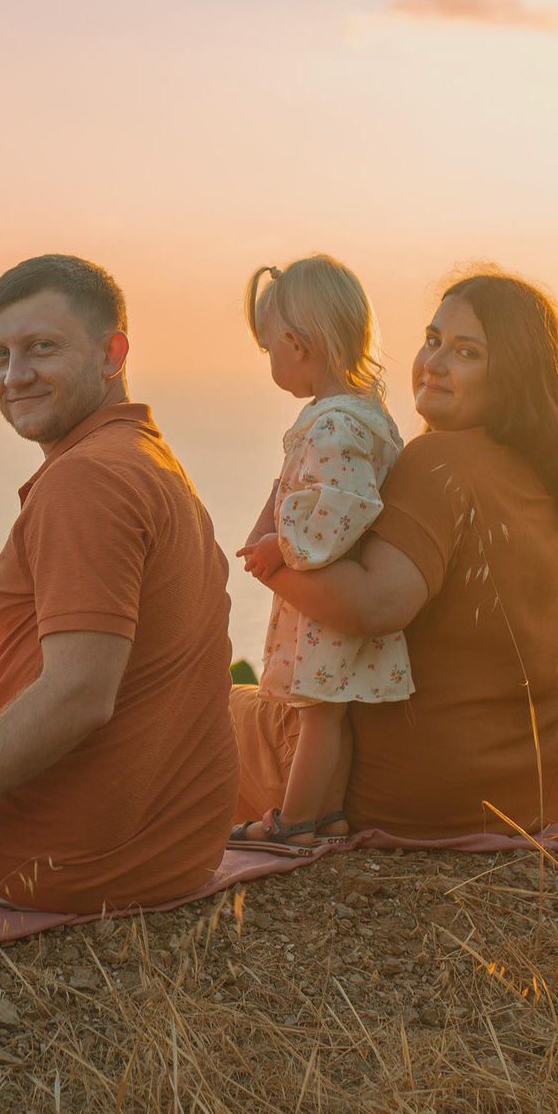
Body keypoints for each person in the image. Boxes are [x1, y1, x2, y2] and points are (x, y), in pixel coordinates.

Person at [0, 255, 238, 911]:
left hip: (53, 864)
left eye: (41, 348)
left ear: (111, 353)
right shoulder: (146, 457)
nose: (14, 375)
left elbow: (79, 694)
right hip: (170, 855)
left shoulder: (85, 480)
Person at [234, 267, 558, 838]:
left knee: (219, 714)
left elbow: (373, 607)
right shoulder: (540, 473)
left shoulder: (437, 463)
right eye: (433, 341)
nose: (433, 364)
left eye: (465, 352)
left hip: (442, 787)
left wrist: (274, 562)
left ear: (512, 376)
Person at [230, 256, 414, 851]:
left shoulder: (335, 425)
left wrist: (281, 548)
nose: (271, 364)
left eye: (269, 350)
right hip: (338, 594)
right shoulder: (364, 413)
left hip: (328, 600)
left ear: (298, 344)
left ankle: (295, 820)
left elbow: (344, 508)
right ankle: (329, 815)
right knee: (333, 712)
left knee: (317, 715)